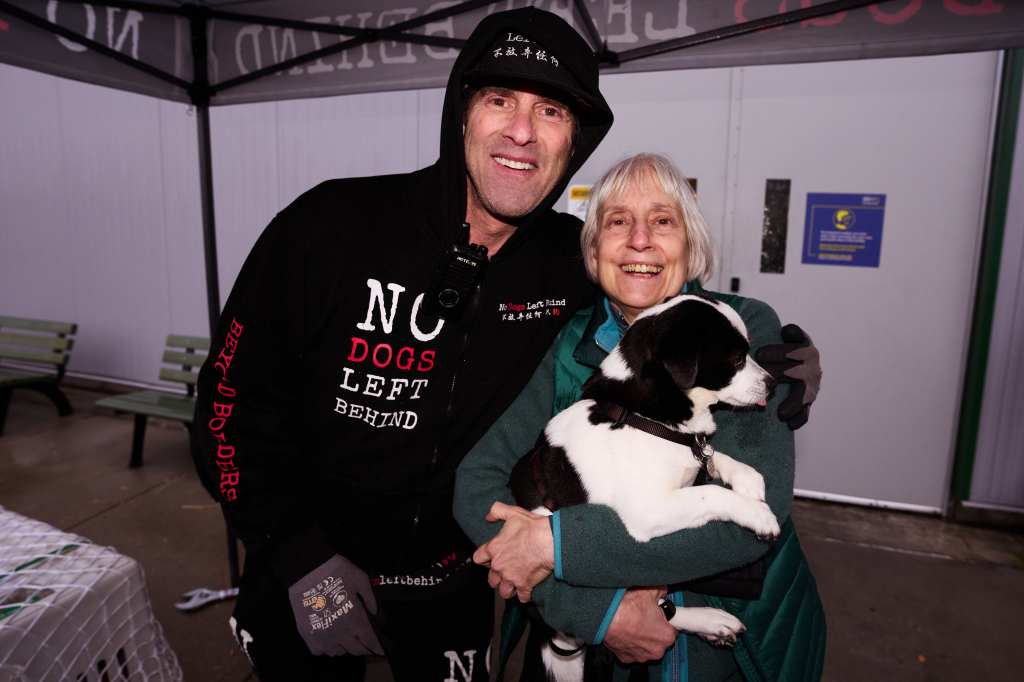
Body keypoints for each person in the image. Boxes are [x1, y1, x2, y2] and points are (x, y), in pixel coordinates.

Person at [190, 8, 613, 682]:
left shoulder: (575, 265)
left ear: (575, 141)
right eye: (500, 99)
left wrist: (766, 352)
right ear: (463, 114)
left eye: (552, 110)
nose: (522, 131)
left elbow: (673, 317)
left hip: (454, 582)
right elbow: (229, 409)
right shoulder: (328, 226)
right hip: (308, 567)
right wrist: (296, 553)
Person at [454, 153, 826, 681]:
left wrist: (552, 545)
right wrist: (595, 613)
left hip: (724, 652)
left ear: (691, 245)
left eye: (663, 220)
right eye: (617, 221)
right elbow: (477, 487)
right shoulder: (561, 342)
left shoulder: (741, 327)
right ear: (593, 249)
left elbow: (751, 522)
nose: (640, 240)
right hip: (576, 649)